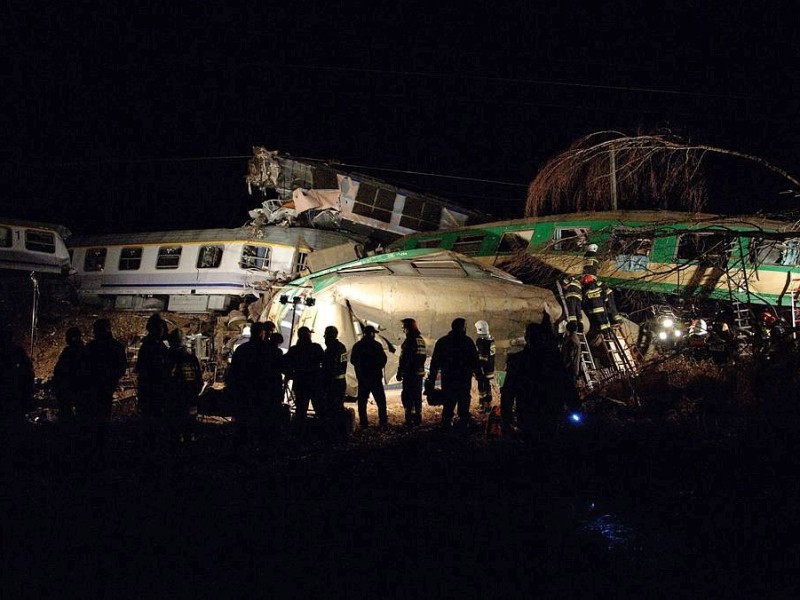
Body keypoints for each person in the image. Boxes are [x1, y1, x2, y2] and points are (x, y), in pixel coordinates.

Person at [501, 321, 577, 441]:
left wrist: (506, 419)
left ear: (527, 338)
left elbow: (508, 392)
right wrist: (575, 408)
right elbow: (566, 385)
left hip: (529, 414)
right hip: (549, 414)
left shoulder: (517, 360)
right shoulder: (553, 360)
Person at [426, 317, 483, 429]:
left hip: (448, 379)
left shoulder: (442, 342)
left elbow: (434, 364)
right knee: (464, 403)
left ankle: (446, 427)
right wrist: (480, 378)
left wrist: (431, 381)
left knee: (448, 403)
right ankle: (463, 427)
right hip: (464, 379)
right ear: (463, 328)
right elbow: (475, 362)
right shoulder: (468, 342)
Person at [83, 318, 128, 462]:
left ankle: (94, 448)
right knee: (103, 417)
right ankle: (102, 446)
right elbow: (121, 366)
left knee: (93, 418)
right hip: (106, 387)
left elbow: (83, 366)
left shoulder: (92, 347)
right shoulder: (115, 346)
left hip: (93, 387)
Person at [284, 326, 325, 435]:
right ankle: (323, 433)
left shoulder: (294, 350)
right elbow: (325, 361)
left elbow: (283, 363)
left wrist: (291, 374)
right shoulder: (316, 348)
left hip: (300, 383)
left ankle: (300, 433)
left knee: (301, 410)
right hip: (314, 383)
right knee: (319, 408)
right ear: (309, 335)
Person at [166, 328, 202, 445]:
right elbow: (199, 378)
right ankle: (191, 443)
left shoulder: (168, 357)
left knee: (175, 426)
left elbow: (165, 379)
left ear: (171, 342)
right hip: (191, 396)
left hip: (174, 398)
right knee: (190, 423)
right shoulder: (192, 358)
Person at [349, 325, 388, 428]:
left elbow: (353, 360)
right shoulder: (377, 345)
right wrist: (376, 367)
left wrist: (361, 368)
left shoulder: (357, 346)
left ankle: (364, 423)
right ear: (372, 334)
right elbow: (383, 360)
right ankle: (383, 422)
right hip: (375, 378)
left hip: (363, 378)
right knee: (381, 402)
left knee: (362, 402)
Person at [136, 313, 171, 421]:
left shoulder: (154, 345)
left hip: (152, 388)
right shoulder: (152, 346)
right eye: (161, 328)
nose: (163, 330)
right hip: (153, 388)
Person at [52, 326, 88, 423]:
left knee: (68, 414)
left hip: (71, 387)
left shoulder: (70, 352)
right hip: (79, 388)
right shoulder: (84, 351)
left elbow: (60, 370)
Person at [397, 318, 426, 427]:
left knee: (407, 396)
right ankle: (418, 418)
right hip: (419, 374)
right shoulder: (421, 340)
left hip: (410, 374)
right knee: (417, 396)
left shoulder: (409, 341)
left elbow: (405, 358)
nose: (403, 330)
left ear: (407, 328)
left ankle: (409, 419)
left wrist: (400, 372)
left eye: (403, 327)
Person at [322, 325, 349, 417]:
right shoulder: (341, 348)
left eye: (326, 335)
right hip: (338, 382)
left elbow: (334, 367)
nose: (324, 337)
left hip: (333, 383)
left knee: (333, 406)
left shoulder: (333, 350)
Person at [474, 320, 496, 413]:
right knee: (487, 385)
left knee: (481, 386)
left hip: (483, 368)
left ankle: (482, 405)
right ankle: (488, 405)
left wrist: (479, 369)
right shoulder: (491, 339)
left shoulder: (481, 341)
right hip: (490, 368)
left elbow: (482, 357)